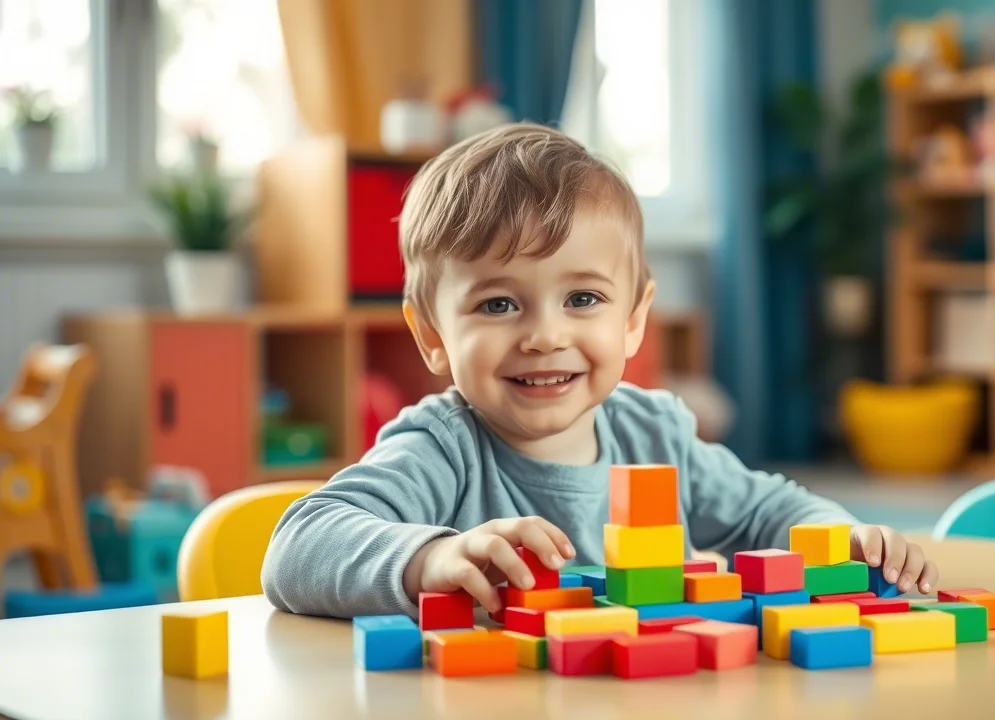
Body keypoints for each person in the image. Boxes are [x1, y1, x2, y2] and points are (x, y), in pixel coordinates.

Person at [261, 123, 939, 620]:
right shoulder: (442, 448)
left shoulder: (655, 436)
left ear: (634, 320)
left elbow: (768, 510)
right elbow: (296, 547)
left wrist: (840, 530)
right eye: (498, 304)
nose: (545, 335)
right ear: (433, 336)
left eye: (582, 299)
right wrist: (428, 558)